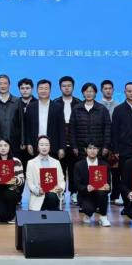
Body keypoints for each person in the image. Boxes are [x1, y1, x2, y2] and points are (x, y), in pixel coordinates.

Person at [53, 75, 80, 203]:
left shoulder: (79, 103)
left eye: (69, 86)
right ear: (60, 88)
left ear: (73, 87)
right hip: (60, 141)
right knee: (60, 169)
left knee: (74, 168)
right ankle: (61, 192)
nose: (67, 88)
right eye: (64, 86)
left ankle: (74, 192)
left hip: (75, 142)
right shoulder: (55, 103)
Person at [0, 138, 25, 223]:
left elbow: (22, 180)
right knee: (2, 215)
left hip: (12, 191)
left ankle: (12, 213)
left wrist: (16, 180)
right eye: (0, 146)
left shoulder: (16, 161)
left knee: (10, 194)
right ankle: (2, 211)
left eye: (5, 145)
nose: (3, 148)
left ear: (9, 147)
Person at [25, 79, 65, 162]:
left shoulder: (58, 107)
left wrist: (62, 147)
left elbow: (61, 129)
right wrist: (28, 143)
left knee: (51, 169)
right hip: (35, 146)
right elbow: (27, 128)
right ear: (37, 90)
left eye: (46, 88)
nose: (43, 91)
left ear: (50, 90)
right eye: (41, 88)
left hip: (53, 147)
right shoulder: (31, 107)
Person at [69, 82, 111, 159]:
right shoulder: (76, 109)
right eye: (86, 91)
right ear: (83, 93)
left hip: (98, 149)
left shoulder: (102, 109)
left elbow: (107, 129)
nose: (89, 93)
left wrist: (106, 146)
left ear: (95, 93)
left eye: (91, 91)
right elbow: (72, 130)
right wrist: (74, 146)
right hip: (81, 149)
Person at [74, 141, 111, 226]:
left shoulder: (104, 165)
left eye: (95, 148)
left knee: (103, 192)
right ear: (85, 150)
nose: (92, 151)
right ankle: (88, 214)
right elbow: (77, 185)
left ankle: (103, 217)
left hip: (100, 194)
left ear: (98, 150)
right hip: (86, 195)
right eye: (90, 148)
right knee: (88, 209)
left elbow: (109, 184)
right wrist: (86, 188)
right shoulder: (79, 165)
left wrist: (107, 187)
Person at [98, 79, 122, 204]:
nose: (108, 90)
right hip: (100, 143)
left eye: (110, 88)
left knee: (116, 172)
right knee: (102, 170)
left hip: (115, 144)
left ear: (113, 90)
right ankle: (101, 195)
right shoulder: (97, 105)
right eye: (105, 88)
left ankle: (115, 196)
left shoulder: (118, 106)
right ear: (101, 90)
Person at [26, 136, 65, 211]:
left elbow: (61, 180)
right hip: (38, 196)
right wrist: (37, 191)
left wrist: (60, 188)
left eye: (47, 145)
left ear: (50, 147)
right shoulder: (31, 163)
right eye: (41, 145)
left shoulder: (56, 162)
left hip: (53, 196)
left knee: (51, 196)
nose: (44, 147)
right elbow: (30, 183)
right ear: (37, 147)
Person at [0, 74, 22, 157]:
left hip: (14, 142)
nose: (3, 86)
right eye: (0, 83)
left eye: (5, 83)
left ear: (9, 85)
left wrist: (23, 141)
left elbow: (22, 123)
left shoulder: (17, 101)